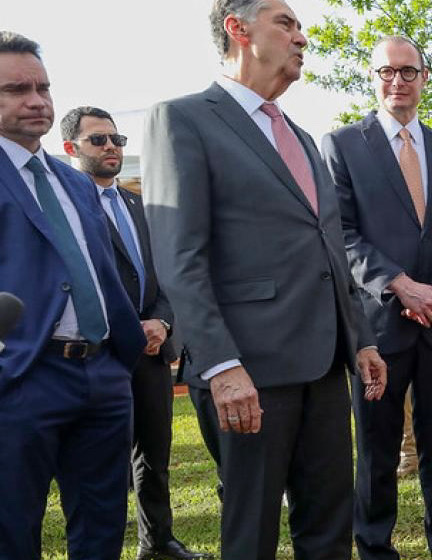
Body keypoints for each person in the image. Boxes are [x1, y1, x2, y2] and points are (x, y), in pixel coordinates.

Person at [142, 2, 388, 558]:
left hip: (325, 367)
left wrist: (362, 338)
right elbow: (180, 256)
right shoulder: (181, 119)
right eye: (286, 23)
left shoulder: (301, 136)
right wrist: (222, 364)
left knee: (329, 526)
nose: (302, 37)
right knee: (252, 532)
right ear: (238, 28)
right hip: (248, 372)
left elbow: (329, 251)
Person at [321, 35, 432, 560]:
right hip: (379, 329)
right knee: (377, 453)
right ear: (373, 77)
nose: (398, 82)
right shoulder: (342, 144)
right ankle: (374, 547)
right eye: (387, 72)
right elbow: (340, 234)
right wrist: (399, 284)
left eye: (408, 72)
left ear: (424, 78)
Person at [0, 31, 147, 560]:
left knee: (102, 525)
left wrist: (120, 355)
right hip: (22, 378)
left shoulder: (76, 182)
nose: (36, 99)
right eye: (17, 89)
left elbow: (103, 270)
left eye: (42, 86)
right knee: (13, 528)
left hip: (103, 376)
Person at [60, 106, 209, 560]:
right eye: (99, 140)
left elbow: (166, 272)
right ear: (70, 148)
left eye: (117, 140)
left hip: (153, 350)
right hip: (100, 355)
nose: (112, 148)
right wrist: (128, 328)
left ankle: (158, 540)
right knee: (99, 464)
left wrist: (162, 322)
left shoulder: (138, 203)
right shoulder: (66, 207)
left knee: (154, 453)